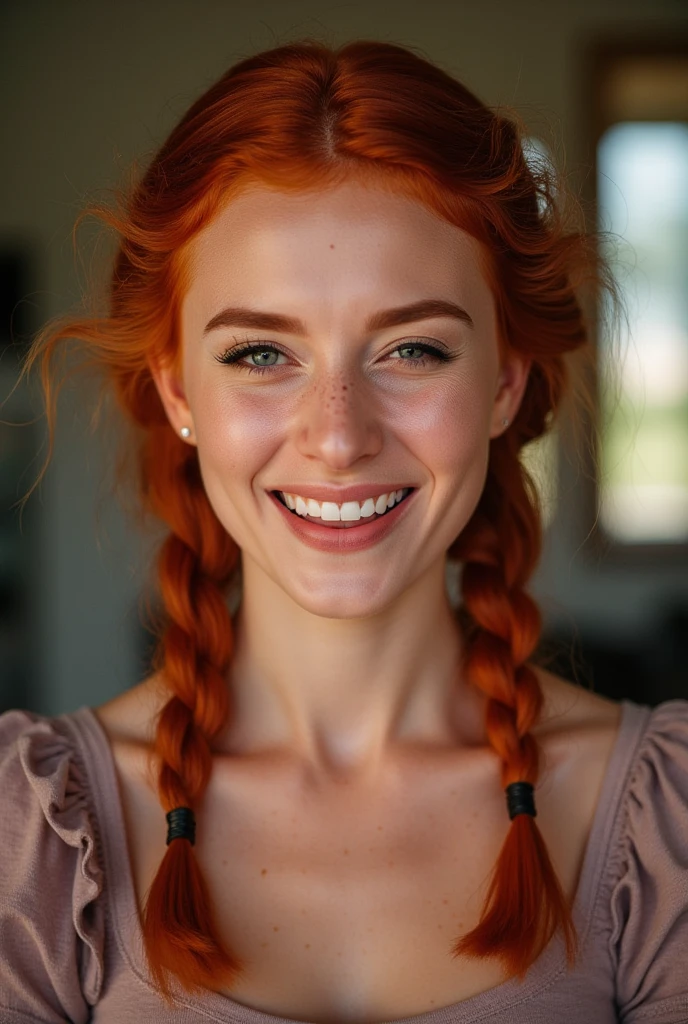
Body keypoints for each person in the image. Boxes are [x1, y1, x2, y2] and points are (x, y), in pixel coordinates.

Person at [1, 36, 686, 1024]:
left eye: (411, 347)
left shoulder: (658, 825)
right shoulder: (31, 837)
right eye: (260, 353)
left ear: (504, 381)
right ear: (176, 388)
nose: (337, 436)